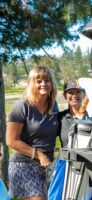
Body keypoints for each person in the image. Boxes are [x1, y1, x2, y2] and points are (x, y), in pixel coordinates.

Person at [6, 66, 58, 200]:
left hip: (47, 166)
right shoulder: (22, 106)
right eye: (38, 81)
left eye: (47, 80)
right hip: (23, 165)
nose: (43, 84)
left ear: (52, 83)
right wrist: (39, 154)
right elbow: (11, 141)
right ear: (31, 84)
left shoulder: (53, 105)